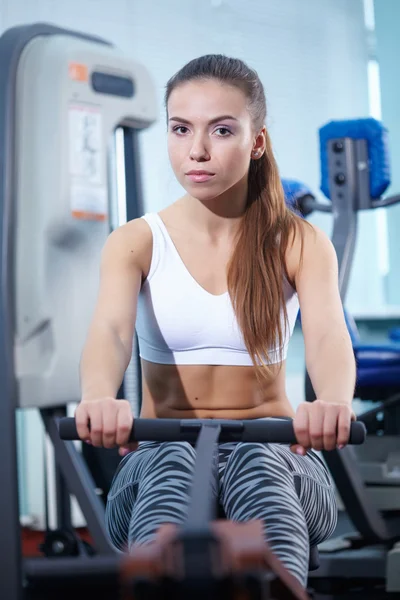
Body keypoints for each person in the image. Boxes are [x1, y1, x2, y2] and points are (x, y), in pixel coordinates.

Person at [75, 54, 357, 588]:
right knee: (175, 462)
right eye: (181, 129)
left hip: (284, 462)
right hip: (158, 457)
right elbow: (110, 331)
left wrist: (334, 403)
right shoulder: (135, 241)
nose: (197, 150)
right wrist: (97, 395)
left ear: (256, 141)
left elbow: (325, 335)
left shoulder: (298, 242)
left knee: (257, 457)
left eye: (221, 130)